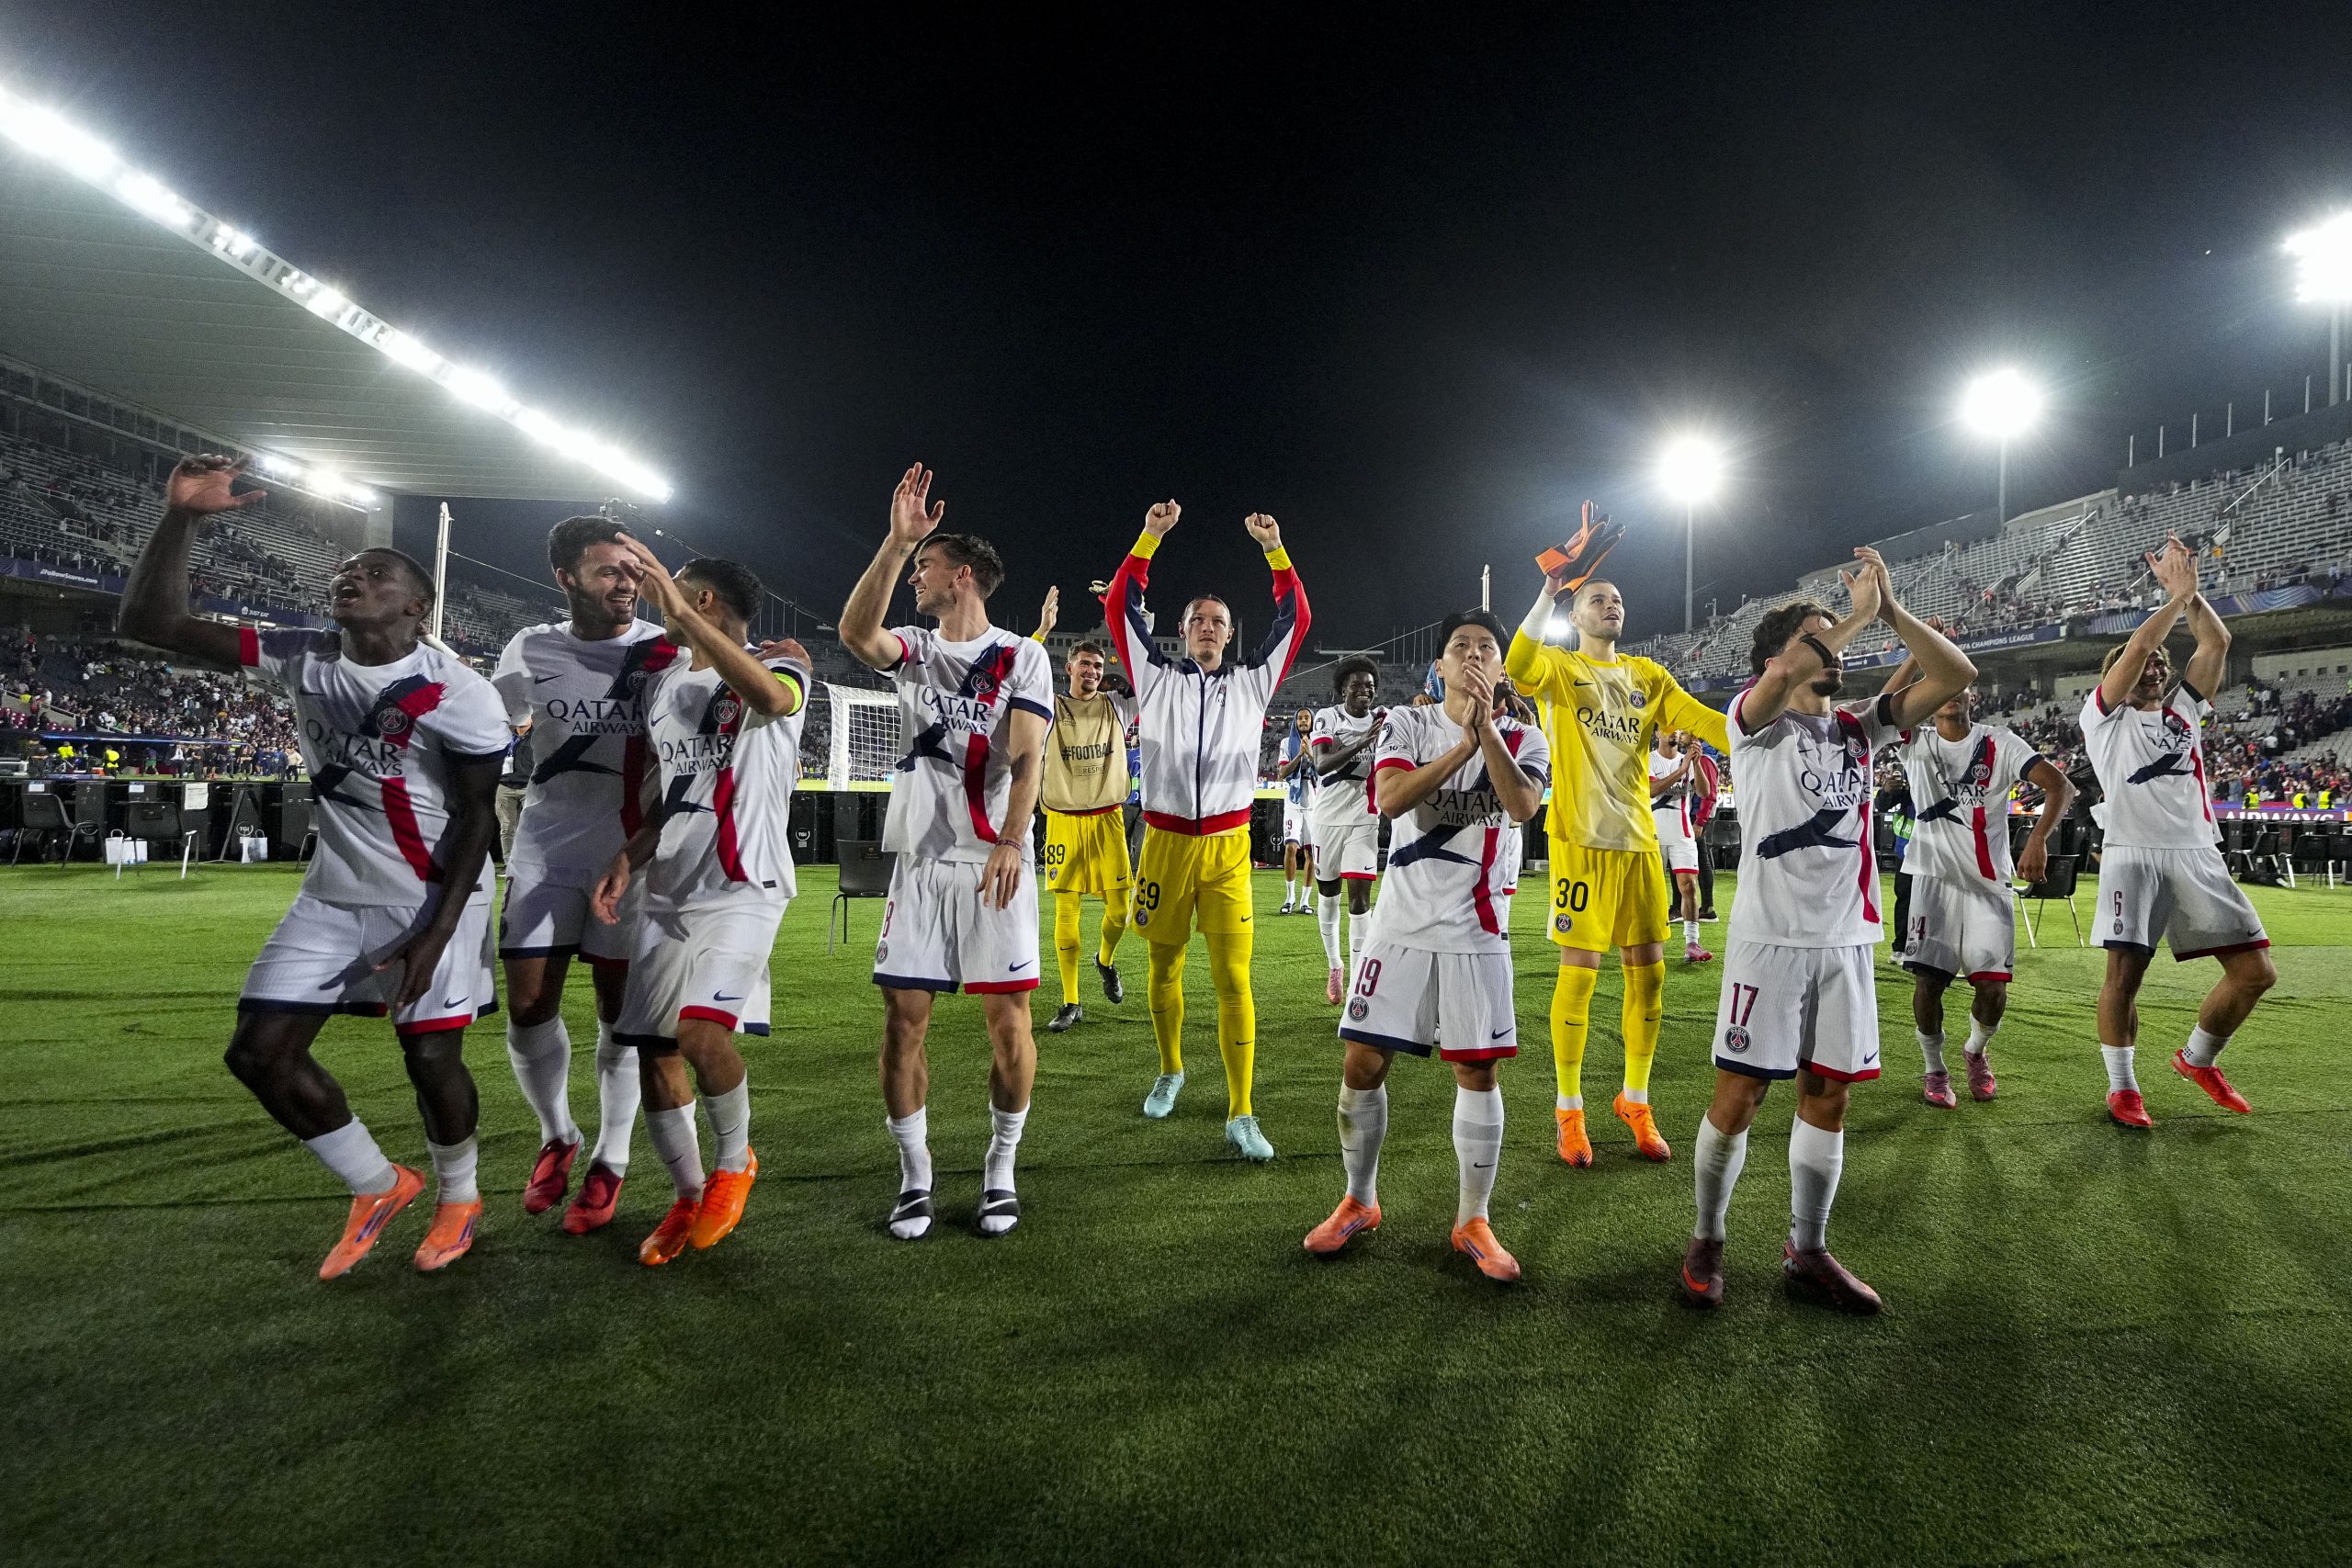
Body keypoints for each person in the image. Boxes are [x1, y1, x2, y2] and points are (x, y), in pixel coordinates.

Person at [118, 456, 508, 1279]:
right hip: (332, 896)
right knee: (259, 1053)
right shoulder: (300, 653)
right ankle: (376, 1183)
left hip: (431, 895)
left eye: (373, 573)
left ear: (416, 602)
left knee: (431, 1057)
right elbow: (152, 622)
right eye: (344, 571)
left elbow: (478, 818)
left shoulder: (459, 690)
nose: (351, 578)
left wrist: (437, 934)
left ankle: (460, 1197)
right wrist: (182, 516)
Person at [1680, 547, 1974, 1314]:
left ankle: (1806, 1248)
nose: (1836, 649)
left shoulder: (1858, 728)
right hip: (1769, 941)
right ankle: (1708, 1237)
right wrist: (1855, 618)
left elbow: (1954, 676)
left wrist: (1894, 611)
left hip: (1845, 942)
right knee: (1741, 1095)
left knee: (1830, 1095)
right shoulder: (1753, 720)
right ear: (1778, 655)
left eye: (1837, 639)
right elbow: (1781, 679)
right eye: (1817, 639)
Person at [839, 465, 1050, 1238]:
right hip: (922, 862)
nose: (915, 579)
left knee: (1008, 1023)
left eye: (925, 566)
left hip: (994, 860)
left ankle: (1000, 1169)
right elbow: (857, 635)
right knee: (904, 1022)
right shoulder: (918, 649)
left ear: (961, 576)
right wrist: (896, 544)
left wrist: (1010, 839)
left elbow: (1027, 758)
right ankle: (916, 1177)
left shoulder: (1022, 656)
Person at [1305, 611, 1547, 1280]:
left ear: (1502, 669)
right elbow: (1387, 798)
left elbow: (1523, 806)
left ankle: (1474, 1217)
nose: (1472, 656)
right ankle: (1359, 1198)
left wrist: (1487, 732)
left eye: (1486, 649)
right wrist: (1460, 749)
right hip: (1401, 924)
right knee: (1361, 1063)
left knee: (1478, 1072)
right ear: (1438, 666)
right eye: (1459, 647)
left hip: (1478, 929)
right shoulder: (1407, 725)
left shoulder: (1527, 735)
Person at [591, 545, 808, 1265]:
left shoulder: (786, 664)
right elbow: (675, 794)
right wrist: (628, 855)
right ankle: (686, 1194)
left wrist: (679, 611)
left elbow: (773, 702)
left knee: (700, 1035)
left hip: (745, 886)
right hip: (670, 888)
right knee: (653, 1053)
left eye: (677, 589)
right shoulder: (663, 688)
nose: (660, 596)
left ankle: (734, 1161)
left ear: (706, 601)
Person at [1505, 517, 1728, 1169]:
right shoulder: (1559, 667)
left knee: (1650, 977)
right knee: (1579, 978)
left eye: (1619, 601)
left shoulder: (1648, 675)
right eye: (1599, 599)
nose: (1613, 606)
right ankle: (1568, 1111)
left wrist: (1768, 713)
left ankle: (1635, 1099)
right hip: (1579, 842)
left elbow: (1706, 721)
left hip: (1637, 847)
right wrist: (1547, 590)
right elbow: (1517, 665)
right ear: (1576, 612)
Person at [1102, 499, 1309, 1159]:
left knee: (1234, 979)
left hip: (1226, 848)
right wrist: (1149, 537)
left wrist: (1275, 551)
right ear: (1183, 630)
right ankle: (1171, 1067)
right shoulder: (1153, 678)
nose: (1209, 628)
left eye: (1219, 621)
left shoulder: (1254, 683)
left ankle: (1241, 1111)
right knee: (1164, 965)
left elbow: (1297, 617)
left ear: (1229, 631)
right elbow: (1117, 607)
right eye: (1198, 620)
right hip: (1162, 842)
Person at [489, 516, 676, 1234]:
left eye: (632, 570)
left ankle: (611, 1154)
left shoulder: (663, 652)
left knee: (619, 1010)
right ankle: (558, 1133)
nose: (626, 582)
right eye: (608, 571)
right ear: (564, 578)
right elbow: (493, 725)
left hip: (631, 852)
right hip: (543, 845)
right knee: (529, 1003)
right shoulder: (530, 648)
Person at [2083, 535, 2275, 1129]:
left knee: (2255, 973)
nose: (2154, 664)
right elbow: (2142, 642)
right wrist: (2175, 596)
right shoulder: (2102, 719)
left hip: (2196, 852)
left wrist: (2193, 600)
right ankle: (2122, 1088)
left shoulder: (2183, 711)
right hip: (2132, 855)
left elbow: (2218, 641)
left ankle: (2197, 1058)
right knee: (2125, 978)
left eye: (2162, 664)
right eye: (2143, 663)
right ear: (2115, 675)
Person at [1877, 663, 2074, 1109]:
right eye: (1938, 685)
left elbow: (2060, 787)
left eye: (1957, 685)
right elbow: (1879, 709)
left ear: (1971, 693)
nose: (1949, 694)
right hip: (1930, 881)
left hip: (1988, 884)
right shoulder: (1916, 740)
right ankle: (1934, 1068)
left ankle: (1975, 1052)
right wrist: (1914, 659)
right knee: (1928, 983)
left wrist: (2038, 838)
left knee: (1993, 989)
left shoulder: (1999, 743)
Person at [1030, 585, 1134, 1034]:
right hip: (1063, 821)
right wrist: (1043, 630)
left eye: (1098, 665)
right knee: (1065, 913)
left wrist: (1122, 610)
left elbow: (1144, 665)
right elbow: (1017, 673)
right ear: (1068, 667)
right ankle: (1071, 1000)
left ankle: (1105, 960)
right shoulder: (1048, 708)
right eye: (1084, 664)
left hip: (1108, 819)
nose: (1092, 671)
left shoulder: (1118, 707)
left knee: (1121, 911)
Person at [1308, 659, 1385, 999]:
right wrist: (1363, 742)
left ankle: (1357, 985)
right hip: (1326, 818)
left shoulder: (1384, 720)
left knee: (1360, 901)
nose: (1363, 690)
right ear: (1343, 689)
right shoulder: (1328, 717)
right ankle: (1335, 966)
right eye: (1356, 684)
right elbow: (1322, 763)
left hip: (1364, 818)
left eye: (1369, 685)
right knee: (1328, 897)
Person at [1648, 728, 1713, 964]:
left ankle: (1692, 943)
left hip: (1682, 834)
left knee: (1689, 886)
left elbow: (1704, 792)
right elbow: (1651, 790)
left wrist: (1696, 763)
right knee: (1651, 893)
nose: (1674, 733)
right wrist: (1682, 769)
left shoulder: (1687, 759)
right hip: (1653, 834)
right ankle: (1649, 941)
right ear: (1657, 734)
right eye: (1668, 728)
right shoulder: (1649, 759)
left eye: (1677, 730)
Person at [1275, 708, 1317, 915]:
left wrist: (1311, 752)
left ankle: (1305, 901)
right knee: (1291, 848)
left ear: (1312, 721)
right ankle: (1289, 897)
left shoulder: (1320, 741)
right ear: (1295, 721)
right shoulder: (1286, 743)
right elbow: (1282, 773)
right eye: (1300, 718)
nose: (1303, 721)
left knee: (1312, 854)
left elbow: (1327, 768)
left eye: (1306, 718)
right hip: (1293, 801)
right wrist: (1300, 755)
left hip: (1315, 802)